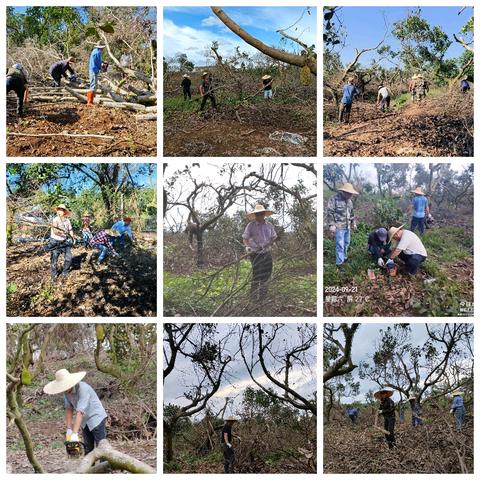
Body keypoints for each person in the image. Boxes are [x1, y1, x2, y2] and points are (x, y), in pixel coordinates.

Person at [43, 369, 108, 455]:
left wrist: (75, 433)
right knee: (88, 447)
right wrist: (69, 429)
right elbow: (69, 409)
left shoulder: (83, 389)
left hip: (96, 417)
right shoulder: (66, 392)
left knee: (101, 446)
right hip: (84, 420)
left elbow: (79, 412)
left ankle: (105, 467)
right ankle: (89, 467)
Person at [242, 204, 277, 299]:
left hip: (266, 253)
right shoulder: (251, 225)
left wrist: (270, 243)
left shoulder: (269, 225)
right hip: (255, 254)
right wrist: (247, 247)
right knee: (257, 275)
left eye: (261, 213)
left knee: (266, 275)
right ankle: (253, 297)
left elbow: (274, 237)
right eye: (258, 214)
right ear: (255, 215)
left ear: (264, 214)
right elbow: (245, 238)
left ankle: (262, 297)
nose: (260, 216)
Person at [327, 183, 359, 267]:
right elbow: (330, 212)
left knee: (346, 243)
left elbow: (352, 214)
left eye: (351, 194)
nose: (350, 195)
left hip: (347, 226)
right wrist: (331, 224)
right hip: (338, 226)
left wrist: (353, 224)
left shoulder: (350, 202)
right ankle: (339, 263)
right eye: (349, 193)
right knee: (340, 245)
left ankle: (344, 257)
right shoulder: (334, 199)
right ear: (344, 192)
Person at [46, 204, 75, 281]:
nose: (60, 211)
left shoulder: (67, 220)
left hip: (64, 241)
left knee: (69, 257)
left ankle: (65, 272)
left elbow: (70, 230)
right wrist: (62, 232)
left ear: (64, 212)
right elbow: (55, 231)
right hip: (55, 241)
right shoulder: (55, 220)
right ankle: (54, 275)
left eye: (61, 210)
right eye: (59, 210)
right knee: (54, 259)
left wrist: (72, 238)